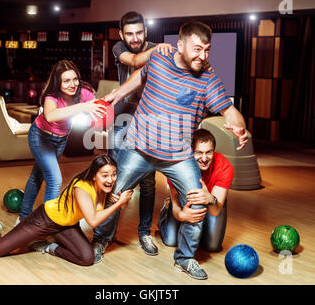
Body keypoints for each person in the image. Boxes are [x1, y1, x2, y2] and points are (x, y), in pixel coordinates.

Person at [92, 20, 248, 280]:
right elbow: (138, 76)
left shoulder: (207, 78)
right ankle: (101, 240)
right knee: (114, 194)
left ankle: (185, 259)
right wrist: (117, 94)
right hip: (138, 146)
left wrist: (240, 127)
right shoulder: (158, 60)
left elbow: (229, 110)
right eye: (197, 49)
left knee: (197, 201)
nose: (203, 55)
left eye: (207, 50)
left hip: (178, 156)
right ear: (180, 44)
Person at [0, 154, 133, 266]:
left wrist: (121, 201)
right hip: (45, 220)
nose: (111, 179)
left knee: (87, 258)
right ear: (94, 176)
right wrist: (118, 203)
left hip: (67, 226)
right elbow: (92, 221)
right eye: (105, 175)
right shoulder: (81, 188)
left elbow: (123, 206)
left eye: (114, 174)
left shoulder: (104, 188)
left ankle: (49, 246)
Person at [106, 11, 174, 256]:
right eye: (129, 33)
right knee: (113, 178)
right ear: (121, 34)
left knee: (147, 182)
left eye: (139, 32)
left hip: (149, 122)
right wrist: (160, 49)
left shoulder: (158, 49)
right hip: (122, 118)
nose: (134, 38)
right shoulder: (118, 48)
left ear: (146, 31)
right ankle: (106, 233)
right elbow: (135, 63)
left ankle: (144, 233)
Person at [17, 60, 107, 225]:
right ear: (58, 82)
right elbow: (50, 116)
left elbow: (96, 109)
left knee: (37, 175)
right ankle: (46, 224)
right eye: (66, 81)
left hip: (60, 139)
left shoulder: (84, 92)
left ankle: (23, 217)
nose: (72, 84)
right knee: (54, 179)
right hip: (40, 137)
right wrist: (82, 108)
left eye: (75, 79)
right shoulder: (51, 97)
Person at [158, 128, 233, 254]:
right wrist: (180, 215)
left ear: (214, 151)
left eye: (209, 152)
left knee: (212, 247)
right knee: (171, 241)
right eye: (199, 153)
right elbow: (176, 200)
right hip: (185, 201)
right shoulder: (178, 166)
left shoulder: (224, 166)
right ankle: (164, 213)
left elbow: (215, 211)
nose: (204, 158)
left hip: (213, 201)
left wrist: (210, 199)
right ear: (191, 152)